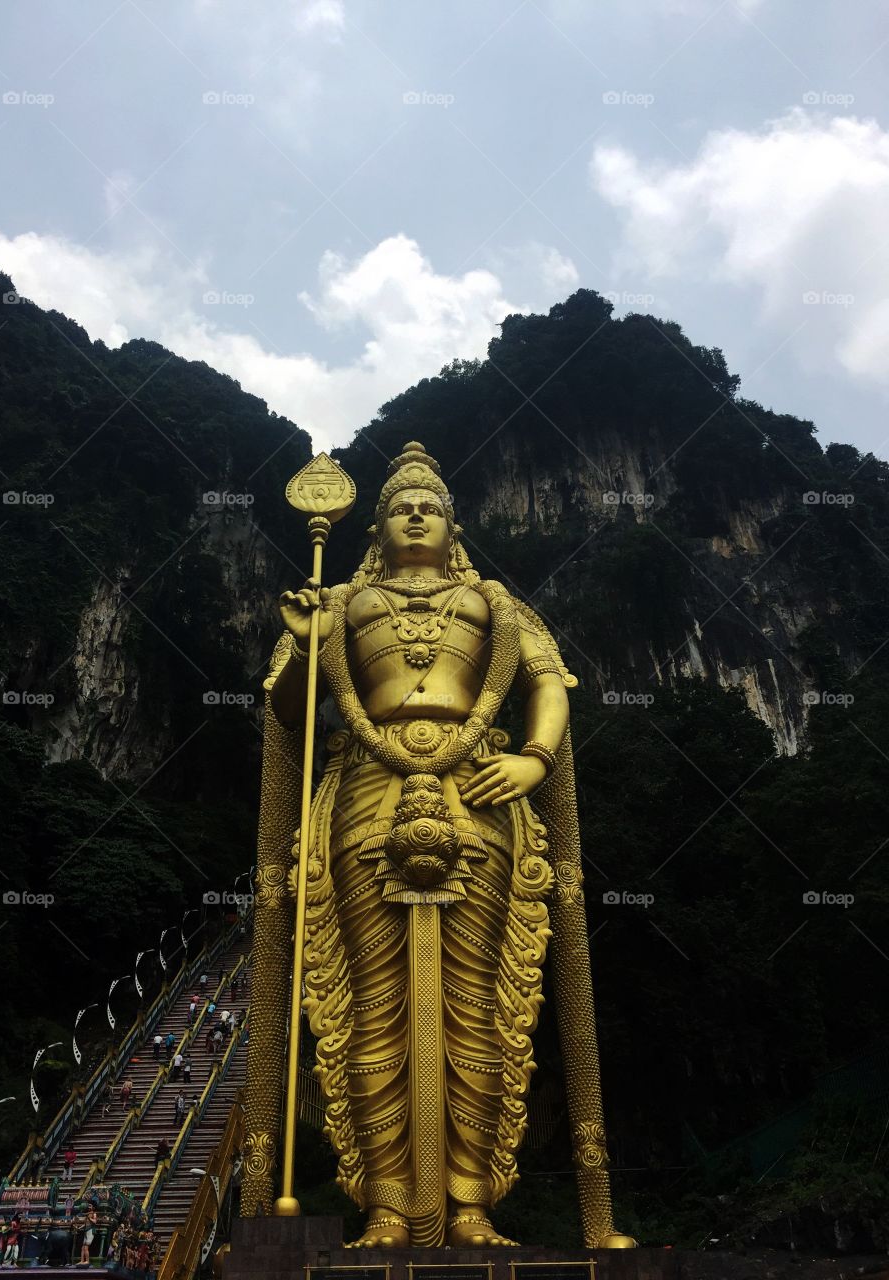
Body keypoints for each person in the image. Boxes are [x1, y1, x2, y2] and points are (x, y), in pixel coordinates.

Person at [240, 442, 629, 1251]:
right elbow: (286, 711)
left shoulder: (494, 602)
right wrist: (309, 644)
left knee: (479, 1003)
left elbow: (547, 683)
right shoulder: (338, 599)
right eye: (400, 506)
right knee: (374, 1002)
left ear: (453, 526)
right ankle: (384, 1205)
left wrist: (534, 756)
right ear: (376, 527)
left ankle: (470, 1206)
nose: (416, 513)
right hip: (366, 792)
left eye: (431, 506)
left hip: (478, 786)